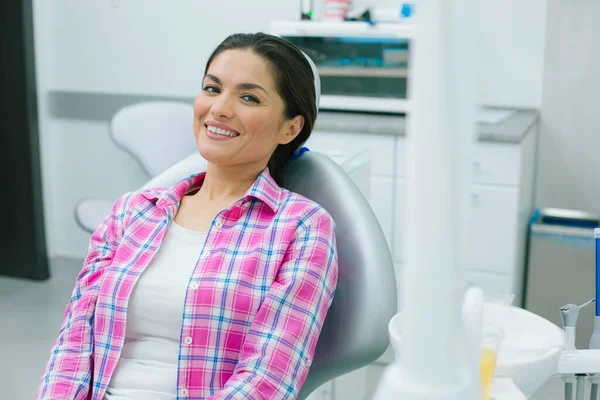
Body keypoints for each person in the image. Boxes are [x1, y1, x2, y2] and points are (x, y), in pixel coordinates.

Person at [37, 32, 338, 400]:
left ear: (290, 127)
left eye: (248, 97)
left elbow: (267, 380)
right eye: (212, 89)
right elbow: (73, 344)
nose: (220, 109)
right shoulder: (132, 212)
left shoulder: (302, 228)